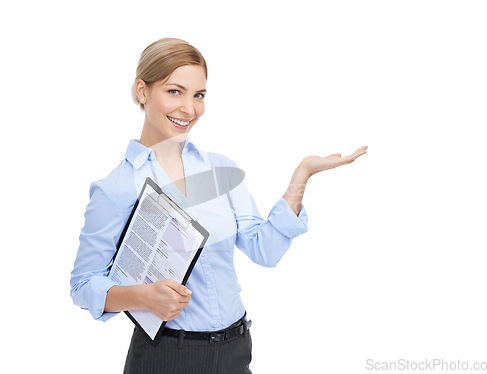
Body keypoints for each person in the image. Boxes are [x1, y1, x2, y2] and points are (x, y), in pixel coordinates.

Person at [70, 37, 368, 374]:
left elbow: (265, 251)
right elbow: (83, 285)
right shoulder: (117, 188)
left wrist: (301, 176)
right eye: (174, 91)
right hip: (165, 356)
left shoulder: (219, 171)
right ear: (143, 92)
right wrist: (144, 297)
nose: (189, 108)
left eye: (198, 95)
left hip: (235, 350)